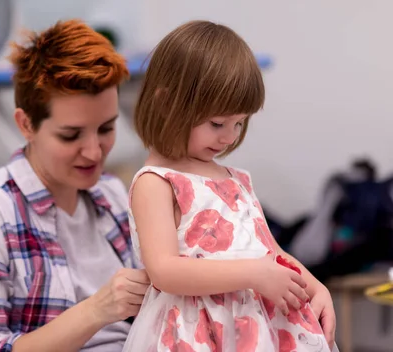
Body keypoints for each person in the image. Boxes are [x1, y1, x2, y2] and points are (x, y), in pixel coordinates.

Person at [0, 19, 150, 351]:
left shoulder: (112, 195)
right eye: (70, 135)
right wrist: (96, 310)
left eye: (106, 129)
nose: (93, 152)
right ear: (26, 124)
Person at [122, 20, 338, 351]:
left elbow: (271, 253)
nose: (229, 137)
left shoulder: (236, 178)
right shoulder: (156, 182)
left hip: (257, 326)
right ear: (166, 103)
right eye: (217, 123)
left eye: (239, 123)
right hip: (197, 332)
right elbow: (164, 272)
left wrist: (314, 286)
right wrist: (253, 275)